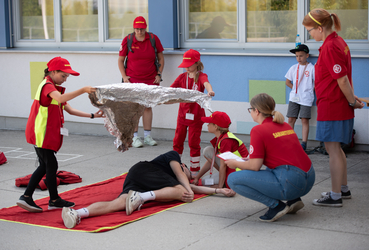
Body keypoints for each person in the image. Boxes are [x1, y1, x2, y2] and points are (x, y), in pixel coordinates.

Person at [17, 56, 104, 213]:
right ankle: (33, 197)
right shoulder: (48, 86)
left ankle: (46, 199)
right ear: (53, 71)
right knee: (50, 164)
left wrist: (93, 115)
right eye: (63, 76)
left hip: (45, 134)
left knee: (46, 165)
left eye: (67, 77)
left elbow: (69, 109)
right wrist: (83, 90)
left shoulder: (54, 88)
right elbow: (61, 98)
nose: (65, 79)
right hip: (41, 134)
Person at [61, 151, 235, 229]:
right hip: (144, 170)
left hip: (137, 179)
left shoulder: (175, 180)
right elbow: (182, 178)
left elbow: (194, 188)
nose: (189, 176)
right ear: (184, 165)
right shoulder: (173, 157)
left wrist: (220, 192)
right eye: (188, 171)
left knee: (118, 203)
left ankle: (77, 214)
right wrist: (187, 186)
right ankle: (141, 197)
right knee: (182, 193)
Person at [302, 9, 364, 207]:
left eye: (310, 31)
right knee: (337, 148)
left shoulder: (330, 47)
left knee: (332, 150)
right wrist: (352, 99)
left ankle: (335, 196)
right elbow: (343, 76)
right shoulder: (339, 41)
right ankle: (343, 189)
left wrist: (352, 101)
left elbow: (342, 80)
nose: (310, 35)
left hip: (333, 106)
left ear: (320, 28)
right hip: (338, 105)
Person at [225, 93, 315, 222]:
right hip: (308, 178)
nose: (250, 112)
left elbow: (255, 166)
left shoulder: (258, 130)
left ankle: (276, 206)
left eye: (250, 109)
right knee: (271, 167)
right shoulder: (285, 125)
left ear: (256, 111)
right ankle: (294, 200)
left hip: (292, 182)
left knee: (233, 179)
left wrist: (235, 163)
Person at [118, 16, 165, 148]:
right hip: (133, 79)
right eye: (137, 29)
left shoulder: (153, 39)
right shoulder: (128, 40)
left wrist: (159, 74)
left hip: (151, 78)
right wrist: (125, 77)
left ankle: (148, 136)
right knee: (134, 107)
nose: (139, 31)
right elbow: (121, 60)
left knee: (148, 106)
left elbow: (161, 58)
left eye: (142, 29)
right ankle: (134, 137)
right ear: (134, 29)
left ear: (145, 28)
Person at [170, 49, 215, 176]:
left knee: (193, 143)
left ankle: (194, 171)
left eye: (189, 66)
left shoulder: (201, 76)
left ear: (197, 63)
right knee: (177, 141)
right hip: (182, 116)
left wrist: (210, 91)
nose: (187, 68)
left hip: (196, 117)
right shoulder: (181, 77)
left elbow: (206, 83)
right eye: (185, 66)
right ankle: (175, 168)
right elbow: (170, 90)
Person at [192, 111, 249, 189]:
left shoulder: (225, 140)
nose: (207, 124)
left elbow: (223, 166)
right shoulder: (221, 137)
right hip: (232, 167)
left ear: (216, 126)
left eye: (209, 123)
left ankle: (226, 184)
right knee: (205, 180)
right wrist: (197, 177)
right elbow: (212, 160)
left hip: (238, 172)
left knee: (207, 183)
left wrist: (219, 188)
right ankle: (224, 182)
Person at [285, 44, 315, 151]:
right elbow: (287, 82)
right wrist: (295, 88)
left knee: (304, 120)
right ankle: (290, 141)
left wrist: (309, 90)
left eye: (301, 56)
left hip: (306, 98)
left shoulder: (312, 68)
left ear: (307, 55)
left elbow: (316, 83)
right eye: (297, 56)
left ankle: (304, 144)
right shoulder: (293, 68)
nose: (299, 58)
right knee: (291, 119)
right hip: (294, 97)